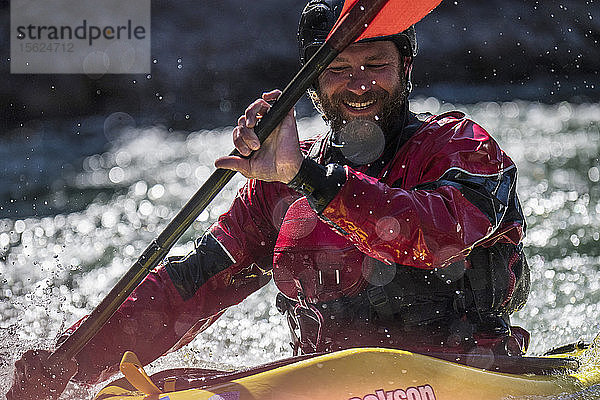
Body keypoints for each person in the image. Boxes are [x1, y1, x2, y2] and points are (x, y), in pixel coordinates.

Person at [7, 0, 531, 398]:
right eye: (339, 70)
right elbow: (192, 285)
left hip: (463, 376)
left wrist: (310, 178)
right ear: (314, 86)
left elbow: (433, 234)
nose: (360, 85)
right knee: (128, 389)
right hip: (328, 384)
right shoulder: (280, 183)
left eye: (376, 65)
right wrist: (70, 361)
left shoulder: (461, 148)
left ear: (406, 69)